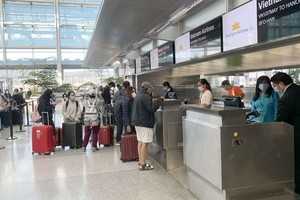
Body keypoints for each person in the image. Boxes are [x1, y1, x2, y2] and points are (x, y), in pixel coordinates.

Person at [270, 72, 300, 194]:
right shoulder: (298, 89)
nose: (277, 88)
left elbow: (281, 119)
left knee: (297, 161)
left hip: (295, 134)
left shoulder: (285, 97)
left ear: (281, 84)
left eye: (276, 86)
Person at [132, 82, 163, 170]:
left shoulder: (138, 96)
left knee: (140, 142)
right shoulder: (146, 97)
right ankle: (143, 164)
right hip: (145, 123)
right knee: (145, 144)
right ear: (148, 88)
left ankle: (140, 161)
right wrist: (159, 101)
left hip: (137, 122)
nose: (151, 91)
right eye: (151, 89)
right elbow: (152, 109)